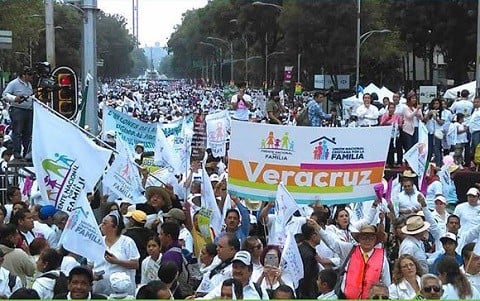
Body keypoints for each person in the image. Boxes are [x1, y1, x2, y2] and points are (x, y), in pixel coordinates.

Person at [314, 221, 391, 299]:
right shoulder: (349, 250)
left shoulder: (382, 259)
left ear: (375, 240)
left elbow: (386, 283)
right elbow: (333, 244)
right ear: (359, 239)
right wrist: (318, 229)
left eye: (371, 238)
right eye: (364, 238)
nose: (367, 240)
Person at [93, 212, 140, 296]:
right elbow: (90, 264)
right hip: (100, 290)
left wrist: (117, 261)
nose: (101, 225)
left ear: (115, 227)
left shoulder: (127, 242)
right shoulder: (98, 242)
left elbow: (135, 264)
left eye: (105, 223)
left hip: (123, 292)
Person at [201, 251, 268, 299]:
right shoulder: (223, 287)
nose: (238, 271)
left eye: (242, 267)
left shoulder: (259, 291)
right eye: (235, 267)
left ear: (250, 270)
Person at [1, 66, 34, 160]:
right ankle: (17, 152)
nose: (31, 77)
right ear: (24, 75)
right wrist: (14, 98)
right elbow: (5, 95)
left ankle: (27, 153)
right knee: (17, 131)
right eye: (29, 75)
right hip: (18, 110)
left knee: (27, 133)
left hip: (28, 110)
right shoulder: (14, 83)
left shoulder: (29, 84)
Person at [380, 103, 402, 167]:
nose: (391, 109)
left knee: (398, 148)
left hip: (396, 134)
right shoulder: (385, 115)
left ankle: (399, 162)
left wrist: (397, 125)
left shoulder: (397, 116)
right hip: (388, 135)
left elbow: (400, 124)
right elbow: (381, 123)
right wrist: (388, 119)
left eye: (393, 108)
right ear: (388, 108)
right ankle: (389, 162)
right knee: (389, 149)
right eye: (390, 108)